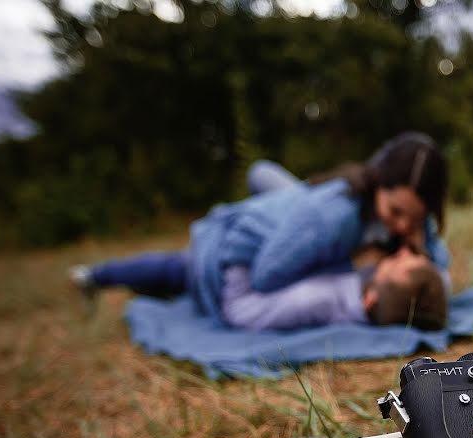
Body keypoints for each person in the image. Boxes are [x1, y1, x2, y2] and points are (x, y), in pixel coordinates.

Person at [70, 132, 451, 326]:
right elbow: (267, 276)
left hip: (274, 228)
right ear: (378, 182)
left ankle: (124, 283)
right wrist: (353, 274)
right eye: (396, 212)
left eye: (414, 219)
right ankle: (95, 275)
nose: (402, 227)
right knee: (181, 270)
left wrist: (418, 242)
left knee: (174, 276)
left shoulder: (398, 212)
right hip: (227, 254)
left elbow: (439, 281)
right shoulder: (334, 220)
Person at [221, 245, 446, 331]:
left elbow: (239, 311)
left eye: (397, 260)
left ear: (370, 300)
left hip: (223, 262)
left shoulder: (317, 298)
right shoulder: (377, 290)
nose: (404, 250)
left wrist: (241, 251)